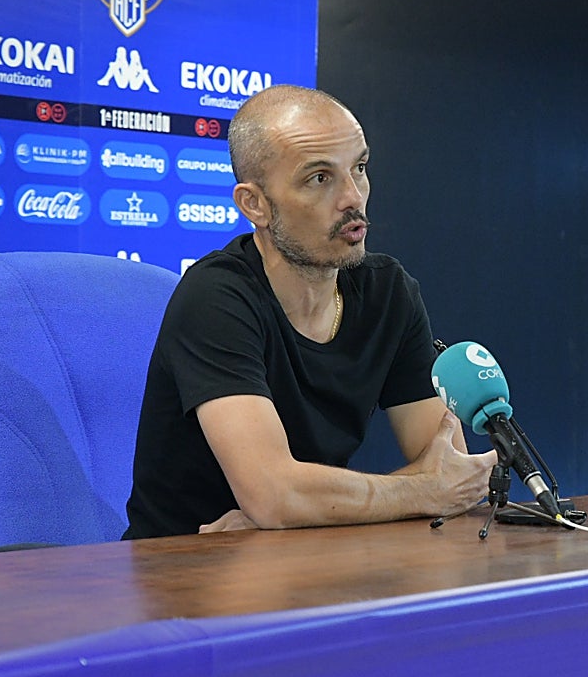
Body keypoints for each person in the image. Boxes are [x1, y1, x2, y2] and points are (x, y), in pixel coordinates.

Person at [124, 85, 496, 538]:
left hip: (308, 557)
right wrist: (289, 504)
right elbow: (275, 497)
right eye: (319, 178)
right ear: (254, 205)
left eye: (359, 168)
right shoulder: (216, 297)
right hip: (182, 574)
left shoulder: (388, 293)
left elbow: (449, 467)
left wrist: (299, 510)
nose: (352, 197)